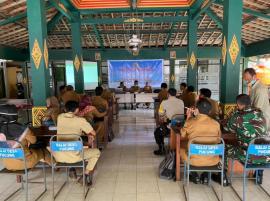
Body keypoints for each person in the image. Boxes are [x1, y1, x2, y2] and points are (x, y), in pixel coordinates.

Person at [224, 94, 267, 184]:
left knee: (224, 147)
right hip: (265, 155)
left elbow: (228, 129)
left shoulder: (238, 117)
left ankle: (224, 176)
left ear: (239, 104)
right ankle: (259, 174)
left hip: (248, 156)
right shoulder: (260, 112)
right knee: (257, 145)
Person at [55, 101, 100, 185]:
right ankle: (85, 175)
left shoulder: (59, 117)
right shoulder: (80, 120)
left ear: (65, 109)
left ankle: (71, 169)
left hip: (59, 155)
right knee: (96, 152)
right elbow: (93, 133)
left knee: (70, 145)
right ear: (77, 110)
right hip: (74, 155)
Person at [180, 98, 221, 183]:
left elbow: (182, 135)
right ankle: (206, 175)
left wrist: (188, 117)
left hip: (194, 160)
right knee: (208, 147)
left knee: (180, 149)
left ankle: (193, 173)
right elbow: (218, 140)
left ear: (197, 109)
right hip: (213, 160)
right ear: (210, 111)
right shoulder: (216, 123)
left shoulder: (190, 122)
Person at [154, 88, 184, 155]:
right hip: (181, 126)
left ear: (168, 94)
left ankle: (161, 149)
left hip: (169, 127)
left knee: (157, 132)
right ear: (176, 94)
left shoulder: (164, 102)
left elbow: (160, 114)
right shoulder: (181, 101)